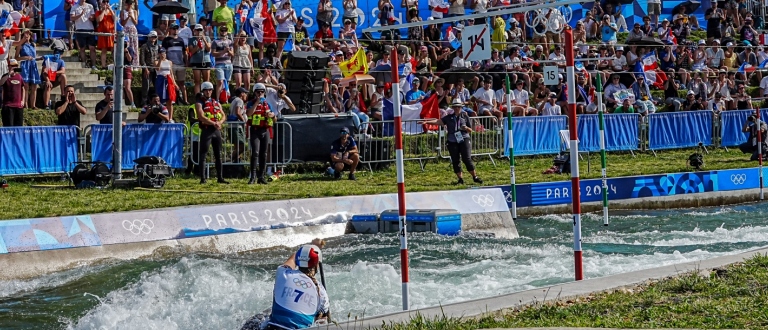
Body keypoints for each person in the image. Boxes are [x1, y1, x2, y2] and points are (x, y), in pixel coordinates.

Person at [262, 240, 329, 330]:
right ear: (316, 265)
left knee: (260, 317)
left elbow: (292, 260)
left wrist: (306, 249)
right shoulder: (321, 292)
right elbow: (322, 323)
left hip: (272, 327)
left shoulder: (283, 273)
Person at [421, 99, 482, 185]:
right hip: (452, 140)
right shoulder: (449, 117)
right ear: (453, 107)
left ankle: (474, 176)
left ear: (461, 107)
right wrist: (427, 121)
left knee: (466, 158)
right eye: (455, 107)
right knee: (455, 160)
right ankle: (460, 179)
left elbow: (470, 129)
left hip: (464, 138)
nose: (457, 108)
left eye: (458, 107)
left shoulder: (465, 116)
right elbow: (438, 121)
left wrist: (466, 128)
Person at [196, 81, 229, 184]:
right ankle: (203, 178)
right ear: (203, 91)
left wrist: (219, 122)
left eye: (210, 90)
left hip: (216, 130)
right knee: (203, 154)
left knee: (218, 154)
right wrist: (212, 123)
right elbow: (201, 116)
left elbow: (223, 115)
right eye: (207, 90)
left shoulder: (216, 102)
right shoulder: (199, 102)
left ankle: (220, 177)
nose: (209, 92)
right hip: (207, 130)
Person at [247, 84, 275, 184]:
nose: (260, 93)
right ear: (254, 93)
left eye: (262, 92)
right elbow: (249, 113)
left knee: (264, 154)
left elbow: (274, 118)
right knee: (255, 153)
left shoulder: (267, 104)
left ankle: (261, 177)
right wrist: (257, 103)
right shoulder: (251, 103)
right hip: (255, 130)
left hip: (265, 130)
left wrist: (272, 115)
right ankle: (253, 177)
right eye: (258, 92)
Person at [163, 22, 188, 105]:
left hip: (181, 64)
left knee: (182, 83)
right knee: (171, 83)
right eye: (174, 28)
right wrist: (167, 63)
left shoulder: (181, 40)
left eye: (177, 28)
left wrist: (186, 62)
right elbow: (163, 53)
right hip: (171, 65)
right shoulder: (166, 40)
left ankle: (185, 100)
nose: (175, 30)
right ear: (170, 29)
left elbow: (185, 52)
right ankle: (172, 100)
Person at [15, 29, 39, 109]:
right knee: (26, 85)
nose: (27, 35)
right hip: (25, 64)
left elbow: (34, 56)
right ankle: (25, 104)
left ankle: (33, 104)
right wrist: (24, 57)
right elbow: (16, 58)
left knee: (34, 85)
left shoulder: (33, 44)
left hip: (33, 64)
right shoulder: (20, 45)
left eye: (29, 34)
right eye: (26, 33)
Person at [70, 0, 97, 70]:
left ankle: (93, 65)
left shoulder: (90, 6)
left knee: (92, 48)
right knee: (82, 48)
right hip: (80, 29)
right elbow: (72, 18)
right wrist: (81, 14)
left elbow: (93, 17)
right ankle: (84, 64)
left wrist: (92, 18)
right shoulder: (74, 7)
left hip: (90, 29)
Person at [0, 60, 25, 127]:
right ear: (9, 67)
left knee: (18, 128)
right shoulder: (5, 76)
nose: (14, 67)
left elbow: (23, 88)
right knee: (9, 127)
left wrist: (23, 100)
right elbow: (1, 83)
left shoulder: (19, 77)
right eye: (13, 66)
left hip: (18, 106)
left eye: (16, 66)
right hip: (8, 106)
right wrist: (9, 74)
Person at [189, 24, 212, 95]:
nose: (199, 32)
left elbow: (208, 49)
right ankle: (197, 96)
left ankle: (207, 96)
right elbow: (191, 52)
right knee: (197, 81)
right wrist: (198, 44)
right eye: (197, 30)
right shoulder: (191, 39)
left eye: (200, 30)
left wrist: (204, 39)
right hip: (196, 61)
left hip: (205, 60)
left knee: (206, 81)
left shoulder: (207, 38)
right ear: (194, 31)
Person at [140, 30, 161, 105]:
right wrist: (145, 69)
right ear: (149, 37)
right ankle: (144, 102)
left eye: (155, 37)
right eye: (152, 36)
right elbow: (142, 60)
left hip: (156, 70)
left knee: (157, 86)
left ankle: (156, 101)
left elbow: (160, 58)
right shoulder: (144, 46)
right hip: (147, 69)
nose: (153, 38)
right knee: (146, 87)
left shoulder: (158, 47)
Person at [95, 0, 114, 69]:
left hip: (111, 33)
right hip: (102, 33)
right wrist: (103, 11)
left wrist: (110, 10)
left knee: (113, 49)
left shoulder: (112, 12)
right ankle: (103, 66)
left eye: (107, 1)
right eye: (104, 2)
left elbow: (115, 20)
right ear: (101, 3)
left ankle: (115, 64)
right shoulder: (98, 12)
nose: (106, 3)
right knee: (104, 50)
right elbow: (99, 20)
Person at [121, 0, 139, 66]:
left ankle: (135, 64)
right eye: (128, 4)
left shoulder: (134, 12)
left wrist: (131, 16)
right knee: (127, 45)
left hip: (133, 29)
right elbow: (122, 23)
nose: (129, 5)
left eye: (131, 4)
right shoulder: (123, 12)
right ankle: (127, 62)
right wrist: (128, 17)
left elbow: (136, 23)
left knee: (134, 46)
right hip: (126, 29)